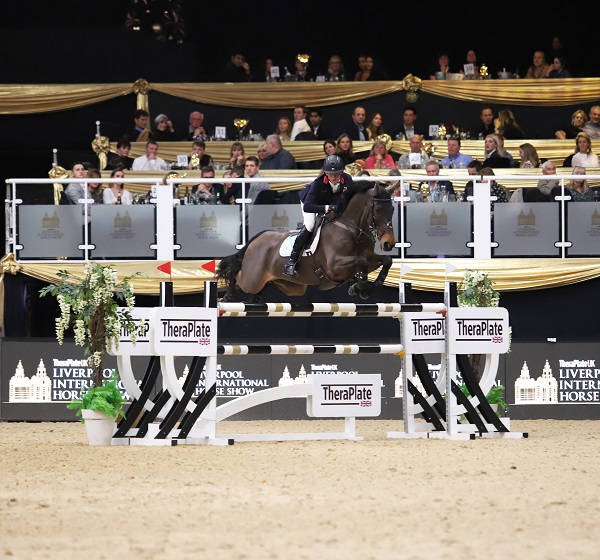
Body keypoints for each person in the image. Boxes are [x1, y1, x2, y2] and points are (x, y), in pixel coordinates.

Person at [283, 154, 352, 277]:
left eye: (336, 174)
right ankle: (291, 262)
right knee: (310, 225)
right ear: (325, 173)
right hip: (310, 202)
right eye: (330, 174)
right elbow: (308, 206)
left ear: (342, 172)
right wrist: (326, 208)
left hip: (330, 201)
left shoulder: (347, 179)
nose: (333, 177)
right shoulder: (318, 184)